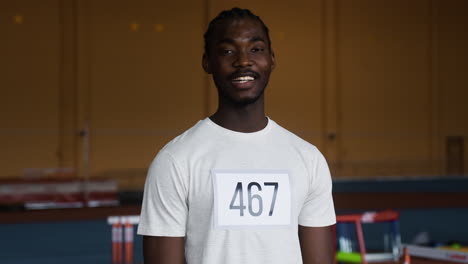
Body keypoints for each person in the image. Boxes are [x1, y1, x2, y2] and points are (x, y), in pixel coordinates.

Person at [137, 7, 336, 264]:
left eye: (256, 49)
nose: (243, 60)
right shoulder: (174, 161)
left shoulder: (308, 160)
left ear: (272, 59)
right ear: (207, 62)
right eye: (228, 51)